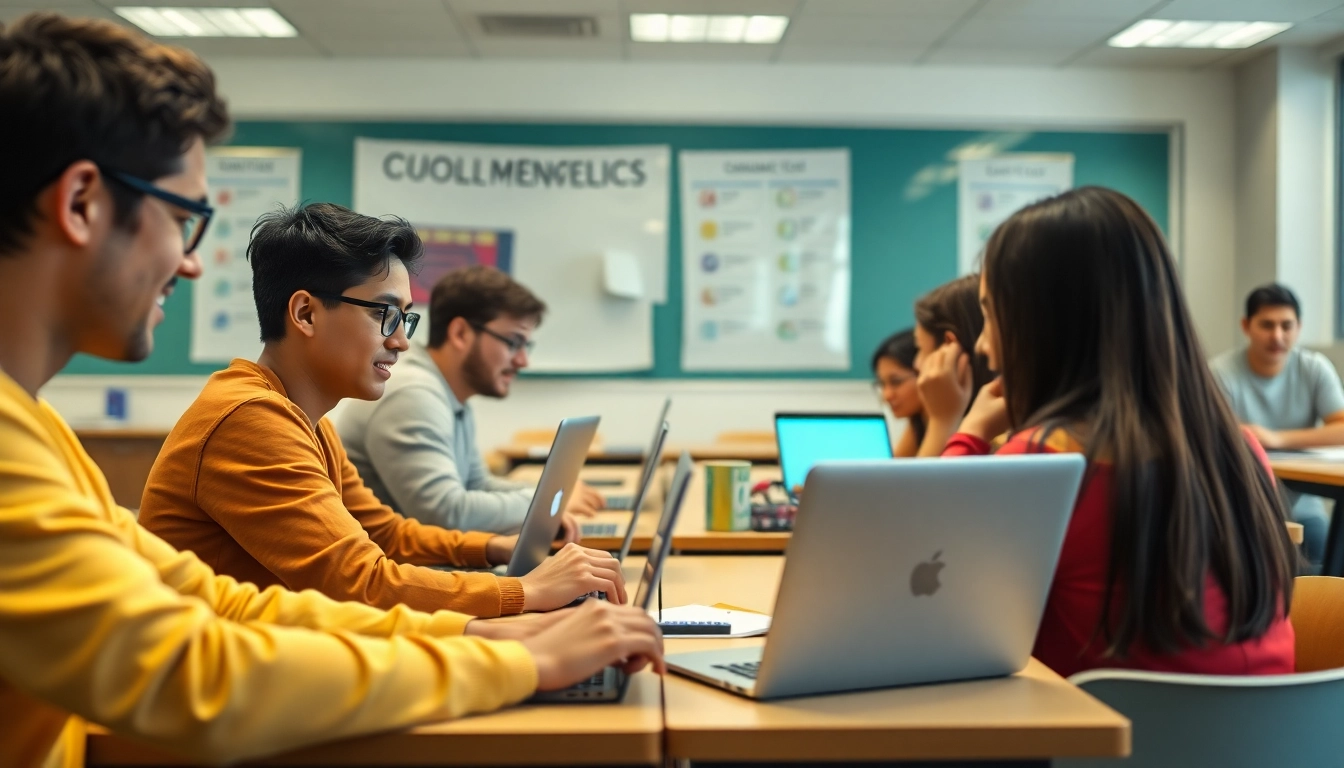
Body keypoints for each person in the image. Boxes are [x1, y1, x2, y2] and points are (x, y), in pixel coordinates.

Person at [0, 14, 661, 766]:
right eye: (182, 220)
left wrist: (490, 626)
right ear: (83, 202)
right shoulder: (237, 417)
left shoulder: (42, 432)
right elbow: (202, 664)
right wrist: (518, 648)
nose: (188, 264)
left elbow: (229, 603)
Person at [140, 204, 623, 618]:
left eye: (405, 317)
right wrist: (526, 591)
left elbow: (385, 534)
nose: (401, 340)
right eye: (383, 314)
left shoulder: (304, 420)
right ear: (306, 313)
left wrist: (496, 548)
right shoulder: (249, 419)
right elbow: (362, 583)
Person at [919, 186, 1295, 677]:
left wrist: (966, 435)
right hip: (1272, 745)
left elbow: (921, 601)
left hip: (1109, 748)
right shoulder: (1241, 451)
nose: (986, 345)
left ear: (1045, 323)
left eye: (990, 314)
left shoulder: (1039, 465)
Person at [336, 265, 606, 534]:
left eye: (526, 345)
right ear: (460, 334)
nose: (524, 360)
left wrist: (546, 497)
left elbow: (475, 484)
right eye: (513, 342)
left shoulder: (448, 393)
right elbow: (447, 513)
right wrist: (547, 503)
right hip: (392, 567)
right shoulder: (413, 394)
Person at [1210, 283, 1344, 564]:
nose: (1277, 335)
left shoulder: (1314, 368)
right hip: (1242, 500)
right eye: (1267, 325)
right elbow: (1211, 434)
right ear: (1246, 326)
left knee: (1324, 564)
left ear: (1299, 327)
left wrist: (1276, 438)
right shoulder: (1219, 373)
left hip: (1304, 501)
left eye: (1287, 325)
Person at [912, 274, 995, 456]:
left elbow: (920, 485)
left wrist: (941, 422)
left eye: (920, 348)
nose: (916, 364)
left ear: (950, 345)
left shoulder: (997, 439)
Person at [870, 328, 926, 458]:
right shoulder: (917, 423)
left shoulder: (948, 424)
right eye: (882, 384)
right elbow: (894, 472)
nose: (887, 395)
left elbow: (922, 476)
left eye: (896, 382)